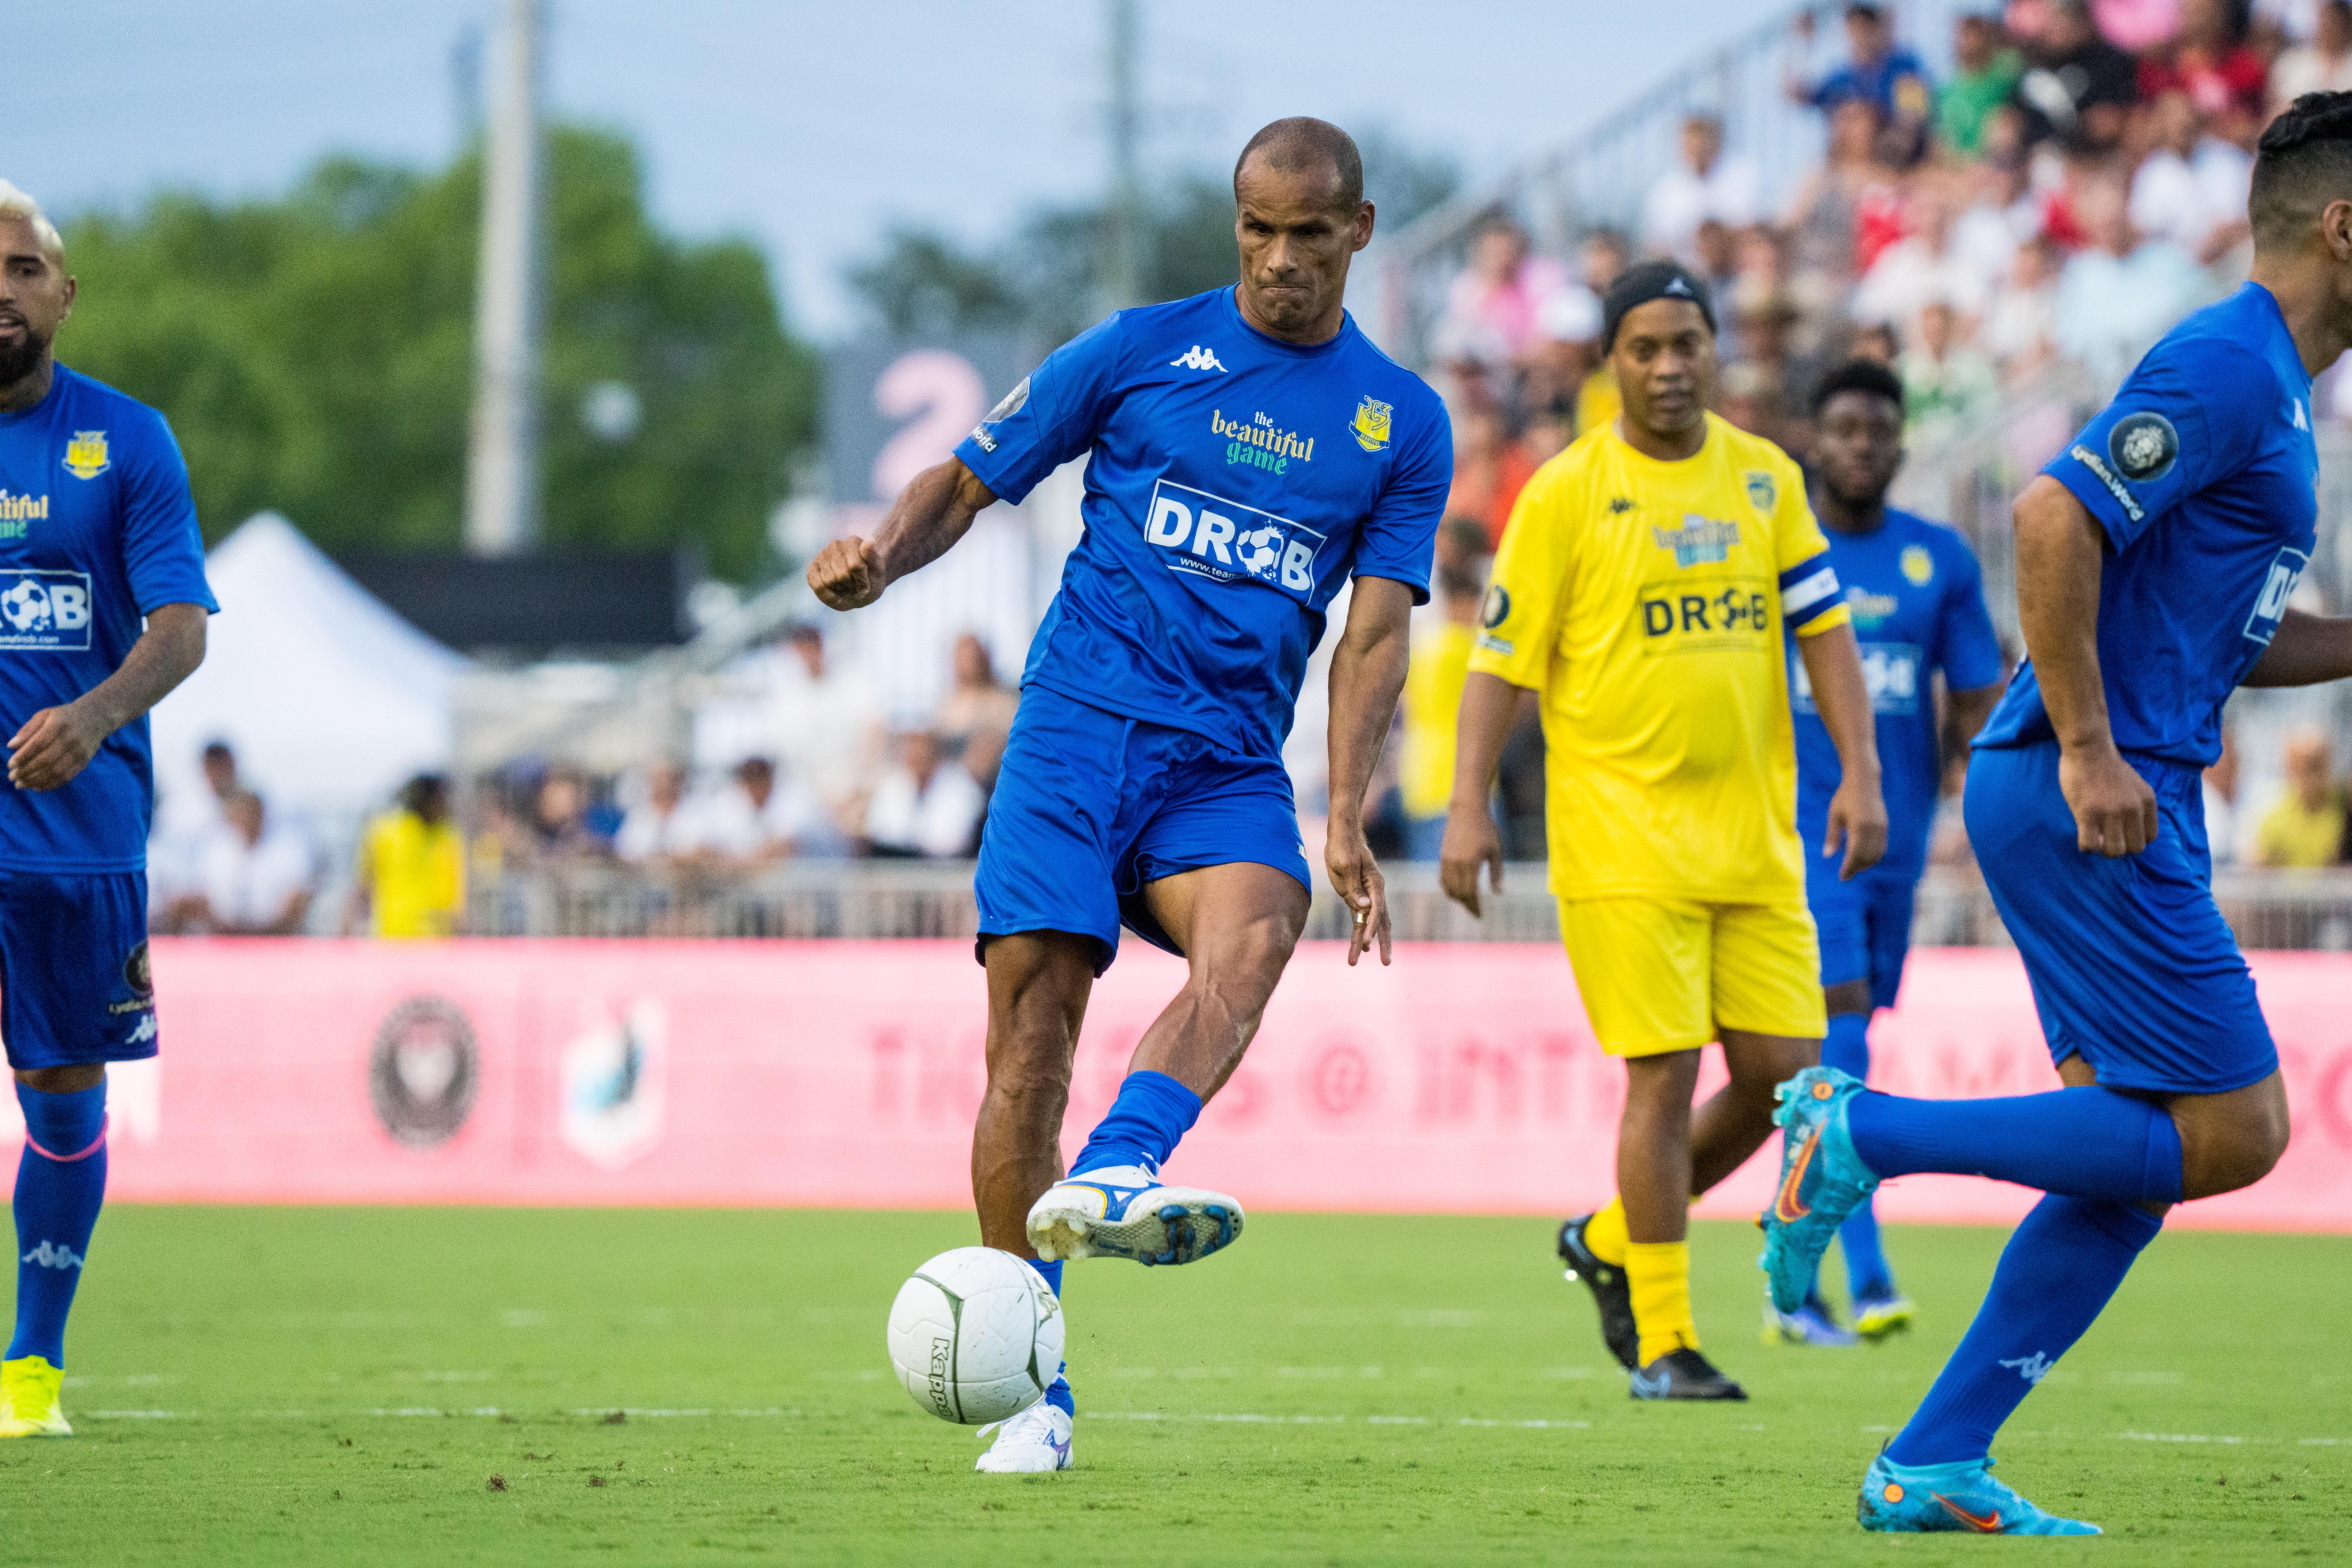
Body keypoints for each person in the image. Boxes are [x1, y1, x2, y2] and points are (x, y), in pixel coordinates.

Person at [805, 118, 1448, 1473]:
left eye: (1309, 234)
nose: (1281, 259)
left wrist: (1344, 813)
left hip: (1221, 761)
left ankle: (1123, 1163)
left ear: (1361, 232)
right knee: (1027, 1048)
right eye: (1258, 230)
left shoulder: (1403, 421)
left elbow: (1376, 630)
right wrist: (881, 562)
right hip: (1075, 736)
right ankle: (1036, 1383)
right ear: (1236, 226)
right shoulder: (1141, 349)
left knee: (1261, 928)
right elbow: (971, 477)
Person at [1759, 92, 2352, 1535]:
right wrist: (2090, 745)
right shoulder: (2227, 363)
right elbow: (2046, 517)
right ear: (2344, 228)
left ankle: (1931, 1455)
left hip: (2120, 778)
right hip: (2098, 786)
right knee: (2236, 1128)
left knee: (2131, 1153)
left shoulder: (2270, 391)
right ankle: (1862, 1129)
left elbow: (2222, 628)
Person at [1439, 261, 1886, 1401]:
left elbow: (1824, 632)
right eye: (1644, 347)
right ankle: (1662, 1338)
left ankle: (1605, 1231)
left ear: (1713, 350)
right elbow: (1500, 663)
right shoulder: (1563, 492)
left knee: (1787, 1075)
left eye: (1687, 342)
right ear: (1610, 361)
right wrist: (1465, 801)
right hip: (1620, 836)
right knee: (1661, 1068)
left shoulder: (1764, 478)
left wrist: (1861, 774)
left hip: (1751, 839)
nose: (1669, 366)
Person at [0, 182, 214, 1439]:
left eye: (24, 271)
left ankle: (31, 1366)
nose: (3, 296)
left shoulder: (128, 441)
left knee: (63, 1094)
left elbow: (180, 629)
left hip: (78, 843)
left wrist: (90, 716)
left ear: (64, 294)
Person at [1764, 360, 2007, 1351]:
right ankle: (1866, 1278)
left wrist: (1978, 809)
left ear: (1900, 445)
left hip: (1899, 837)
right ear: (1814, 442)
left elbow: (1978, 699)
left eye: (1878, 429)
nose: (1862, 444)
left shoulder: (1938, 561)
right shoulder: (1780, 554)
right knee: (1846, 1041)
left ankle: (1791, 1288)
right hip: (1804, 831)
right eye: (1844, 428)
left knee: (1832, 1059)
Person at [1400, 519, 1490, 860]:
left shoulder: (1423, 646)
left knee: (1425, 891)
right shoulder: (1471, 650)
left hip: (1420, 779)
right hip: (1461, 780)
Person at [178, 789, 316, 935]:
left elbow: (297, 899)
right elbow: (201, 898)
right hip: (223, 936)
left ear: (261, 814)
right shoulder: (216, 852)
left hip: (275, 937)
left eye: (250, 813)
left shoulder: (287, 849)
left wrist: (262, 934)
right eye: (240, 814)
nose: (246, 819)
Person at [346, 773, 465, 938]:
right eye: (441, 799)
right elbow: (364, 887)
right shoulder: (385, 832)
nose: (446, 805)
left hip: (432, 941)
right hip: (395, 938)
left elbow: (454, 893)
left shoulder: (446, 834)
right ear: (426, 800)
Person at [2012, 0, 2139, 150]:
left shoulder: (2110, 59)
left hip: (2107, 151)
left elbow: (2115, 116)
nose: (2054, 30)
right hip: (2055, 156)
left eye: (2060, 21)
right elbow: (2028, 128)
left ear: (2079, 21)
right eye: (2051, 22)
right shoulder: (2034, 75)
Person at [1641, 114, 1762, 267]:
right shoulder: (1666, 190)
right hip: (1684, 271)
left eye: (1700, 143)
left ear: (1715, 144)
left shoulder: (1740, 175)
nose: (1695, 150)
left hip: (1731, 269)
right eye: (1689, 144)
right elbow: (1658, 242)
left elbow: (1747, 227)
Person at [864, 730, 985, 858]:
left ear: (934, 753)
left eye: (920, 751)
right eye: (909, 751)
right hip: (898, 865)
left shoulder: (961, 785)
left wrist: (912, 840)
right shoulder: (893, 783)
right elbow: (879, 830)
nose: (914, 756)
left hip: (945, 869)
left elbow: (953, 840)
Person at [2252, 725, 2345, 867]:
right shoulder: (2274, 817)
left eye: (2317, 766)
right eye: (2304, 768)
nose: (2311, 777)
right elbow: (2259, 872)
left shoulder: (2345, 810)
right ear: (2290, 768)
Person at [1938, 13, 2025, 157]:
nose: (1966, 42)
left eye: (1973, 36)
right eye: (1962, 36)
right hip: (1957, 167)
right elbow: (1941, 141)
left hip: (1996, 164)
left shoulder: (2002, 78)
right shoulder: (1946, 90)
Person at [2271, 0, 2352, 117]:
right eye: (2327, 22)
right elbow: (2277, 108)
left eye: (2337, 23)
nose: (2332, 29)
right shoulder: (2292, 63)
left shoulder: (2349, 67)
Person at [613, 760, 701, 865]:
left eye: (668, 780)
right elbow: (625, 849)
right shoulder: (639, 814)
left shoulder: (694, 811)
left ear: (678, 782)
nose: (663, 785)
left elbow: (699, 850)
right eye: (658, 780)